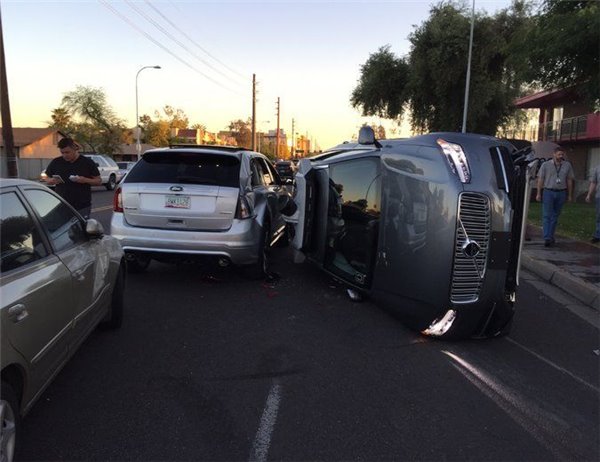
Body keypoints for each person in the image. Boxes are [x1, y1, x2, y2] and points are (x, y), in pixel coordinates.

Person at [43, 138, 101, 219]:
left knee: (81, 229)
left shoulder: (87, 162)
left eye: (67, 152)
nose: (65, 155)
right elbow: (46, 177)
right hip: (62, 204)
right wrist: (50, 180)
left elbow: (98, 181)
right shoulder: (56, 162)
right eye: (62, 153)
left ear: (74, 149)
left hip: (82, 205)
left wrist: (85, 180)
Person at [535, 146, 574, 247]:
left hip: (561, 192)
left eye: (562, 154)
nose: (560, 156)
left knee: (555, 216)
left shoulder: (567, 165)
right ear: (554, 154)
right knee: (547, 215)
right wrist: (539, 193)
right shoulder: (546, 165)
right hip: (548, 191)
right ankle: (547, 237)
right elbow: (540, 179)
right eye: (559, 154)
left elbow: (569, 180)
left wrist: (569, 195)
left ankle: (551, 235)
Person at [585, 164, 600, 244]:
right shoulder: (597, 168)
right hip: (599, 196)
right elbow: (593, 182)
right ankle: (598, 235)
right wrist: (589, 194)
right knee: (599, 216)